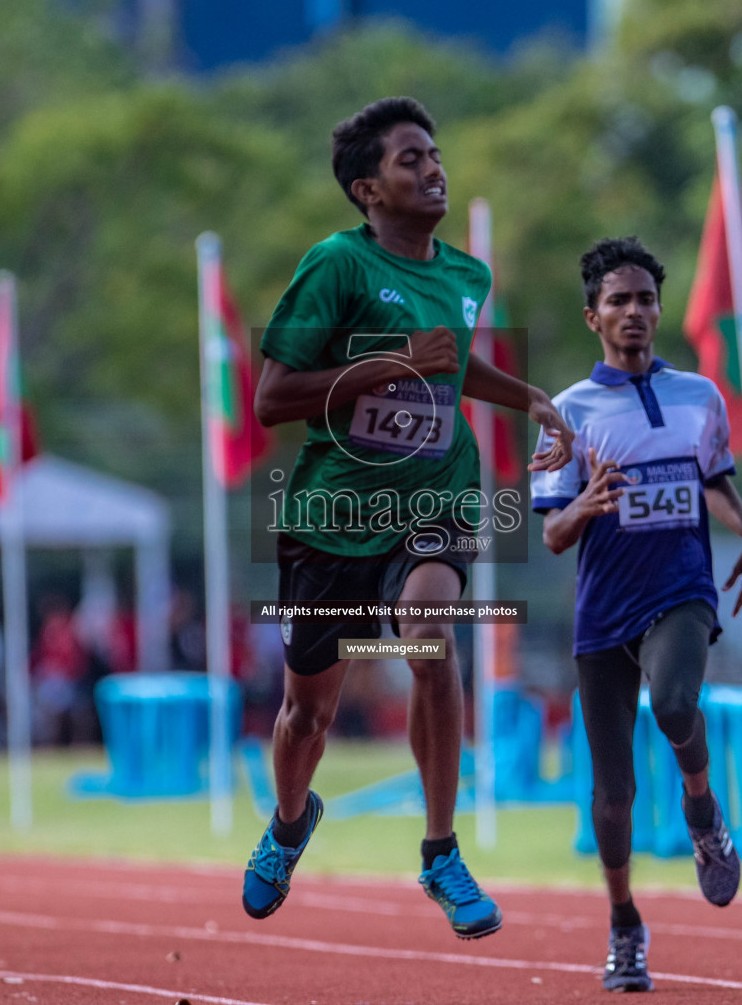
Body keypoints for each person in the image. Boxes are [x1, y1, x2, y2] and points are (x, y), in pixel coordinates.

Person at [242, 96, 574, 940]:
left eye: (435, 153)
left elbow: (452, 368)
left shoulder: (467, 276)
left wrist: (528, 396)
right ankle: (289, 824)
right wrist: (389, 361)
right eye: (409, 160)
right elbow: (272, 397)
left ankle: (440, 851)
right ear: (367, 190)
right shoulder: (336, 268)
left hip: (436, 490)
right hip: (333, 514)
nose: (434, 169)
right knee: (306, 715)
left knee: (429, 632)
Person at [532, 236, 742, 992]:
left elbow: (716, 482)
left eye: (645, 299)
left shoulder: (700, 395)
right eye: (618, 301)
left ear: (660, 309)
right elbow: (552, 533)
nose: (635, 312)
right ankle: (625, 922)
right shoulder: (567, 412)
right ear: (592, 316)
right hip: (604, 612)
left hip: (681, 588)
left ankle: (702, 808)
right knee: (613, 795)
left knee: (673, 702)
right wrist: (586, 503)